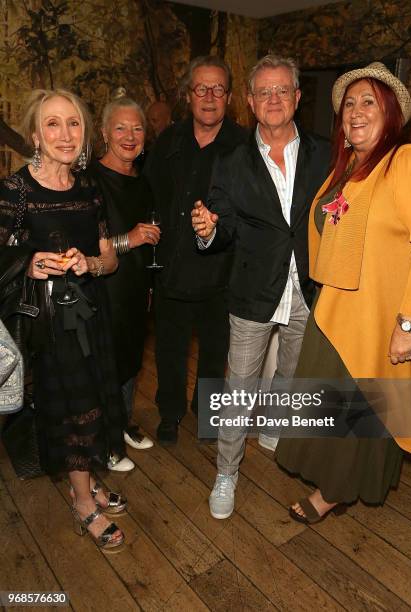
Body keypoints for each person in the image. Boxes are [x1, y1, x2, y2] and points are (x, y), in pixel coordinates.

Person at [273, 62, 411, 524]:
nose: (355, 111)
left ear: (390, 111)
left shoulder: (407, 162)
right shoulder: (347, 169)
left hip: (381, 322)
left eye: (367, 100)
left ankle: (335, 492)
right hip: (334, 311)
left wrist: (408, 324)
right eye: (348, 103)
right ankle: (330, 480)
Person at [191, 54, 331, 519]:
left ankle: (274, 427)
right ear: (250, 102)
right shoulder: (230, 162)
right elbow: (221, 225)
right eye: (263, 92)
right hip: (253, 291)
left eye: (282, 90)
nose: (273, 99)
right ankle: (226, 473)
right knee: (239, 389)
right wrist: (207, 229)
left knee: (293, 373)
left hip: (309, 290)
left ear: (297, 96)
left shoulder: (326, 153)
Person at [0, 89, 129, 549]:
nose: (65, 134)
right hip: (47, 325)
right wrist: (28, 263)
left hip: (90, 317)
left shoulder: (89, 189)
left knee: (93, 396)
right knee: (73, 408)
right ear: (35, 135)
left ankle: (87, 481)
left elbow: (109, 260)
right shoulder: (16, 191)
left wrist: (89, 265)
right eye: (53, 124)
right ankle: (81, 501)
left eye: (73, 123)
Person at [144, 55, 247, 445]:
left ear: (230, 97)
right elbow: (149, 198)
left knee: (214, 353)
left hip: (223, 275)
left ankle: (207, 412)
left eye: (217, 88)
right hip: (172, 269)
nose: (209, 96)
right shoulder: (168, 141)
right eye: (201, 88)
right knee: (169, 349)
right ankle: (169, 413)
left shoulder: (242, 146)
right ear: (189, 96)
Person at [90, 96, 160, 470]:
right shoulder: (90, 181)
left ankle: (123, 422)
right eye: (121, 127)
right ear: (104, 133)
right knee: (106, 363)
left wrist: (147, 282)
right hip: (101, 289)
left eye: (137, 128)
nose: (130, 136)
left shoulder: (142, 182)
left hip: (133, 288)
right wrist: (127, 240)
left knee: (131, 359)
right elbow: (82, 246)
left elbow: (145, 238)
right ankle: (106, 438)